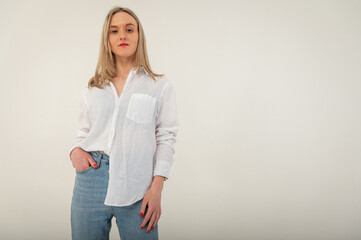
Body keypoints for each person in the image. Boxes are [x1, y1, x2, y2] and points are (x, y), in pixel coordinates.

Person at [69, 6, 178, 240]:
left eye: (129, 29)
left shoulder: (159, 86)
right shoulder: (93, 88)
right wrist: (75, 151)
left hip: (138, 186)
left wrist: (157, 185)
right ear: (107, 39)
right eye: (114, 31)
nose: (123, 36)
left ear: (139, 35)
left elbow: (166, 137)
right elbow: (84, 130)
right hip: (90, 181)